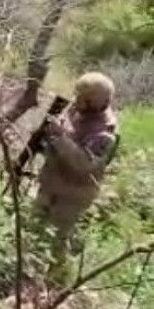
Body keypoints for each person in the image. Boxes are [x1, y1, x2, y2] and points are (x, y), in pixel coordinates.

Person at [35, 72, 119, 281]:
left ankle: (55, 285)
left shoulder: (106, 133)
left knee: (57, 243)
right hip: (51, 183)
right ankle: (25, 274)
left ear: (97, 102)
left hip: (73, 195)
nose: (76, 101)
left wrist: (60, 136)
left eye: (83, 98)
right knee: (33, 228)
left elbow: (84, 163)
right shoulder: (77, 109)